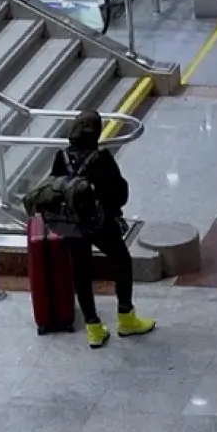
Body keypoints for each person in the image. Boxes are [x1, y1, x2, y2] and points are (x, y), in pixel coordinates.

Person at [52, 111, 154, 349]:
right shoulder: (102, 158)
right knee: (121, 261)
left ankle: (94, 328)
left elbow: (54, 186)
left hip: (73, 225)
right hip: (101, 223)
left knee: (81, 271)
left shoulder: (62, 156)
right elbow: (120, 194)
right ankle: (127, 317)